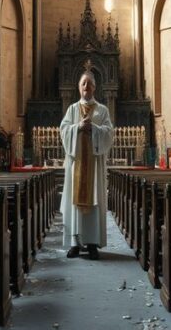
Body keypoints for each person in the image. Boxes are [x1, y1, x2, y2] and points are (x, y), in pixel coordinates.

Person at [59, 70, 113, 259]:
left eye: (89, 84)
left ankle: (92, 244)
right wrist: (77, 128)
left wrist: (95, 129)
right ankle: (75, 243)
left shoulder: (102, 110)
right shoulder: (72, 109)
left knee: (94, 201)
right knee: (74, 204)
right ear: (78, 87)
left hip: (94, 167)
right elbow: (63, 130)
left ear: (95, 87)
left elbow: (109, 133)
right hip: (77, 165)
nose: (86, 87)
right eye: (83, 83)